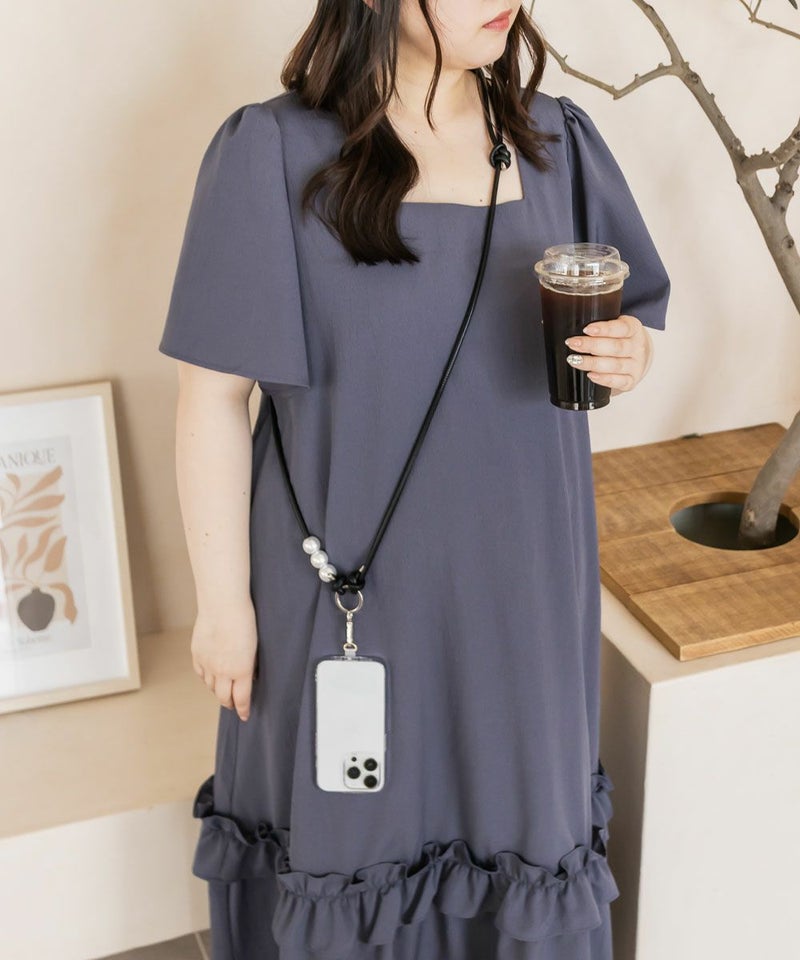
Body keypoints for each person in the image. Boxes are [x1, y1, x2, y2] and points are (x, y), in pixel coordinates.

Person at [158, 1, 670, 958]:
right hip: (341, 591)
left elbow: (628, 310)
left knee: (520, 832)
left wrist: (630, 350)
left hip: (522, 594)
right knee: (351, 841)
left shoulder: (554, 138)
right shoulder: (271, 150)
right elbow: (213, 396)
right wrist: (222, 608)